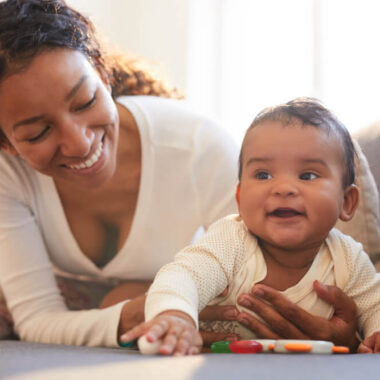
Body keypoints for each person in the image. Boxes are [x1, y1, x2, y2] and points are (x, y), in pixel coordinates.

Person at [0, 0, 368, 348]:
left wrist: (354, 330)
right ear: (6, 143)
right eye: (38, 133)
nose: (79, 143)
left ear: (101, 71)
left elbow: (276, 280)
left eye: (85, 102)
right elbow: (36, 319)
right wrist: (144, 312)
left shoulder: (199, 150)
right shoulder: (8, 174)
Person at [122, 98, 380, 355]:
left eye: (307, 175)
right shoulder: (230, 240)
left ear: (347, 202)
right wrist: (176, 316)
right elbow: (184, 276)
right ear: (240, 198)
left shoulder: (347, 258)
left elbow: (374, 305)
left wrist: (374, 333)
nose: (283, 188)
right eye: (263, 175)